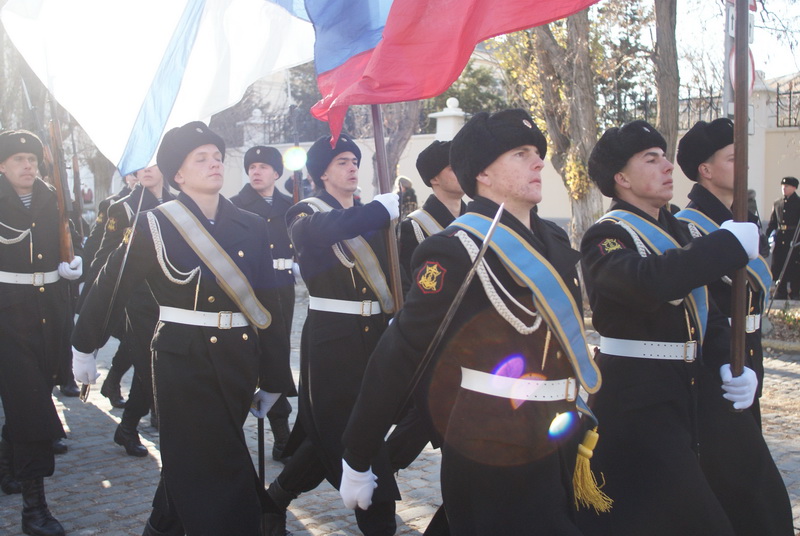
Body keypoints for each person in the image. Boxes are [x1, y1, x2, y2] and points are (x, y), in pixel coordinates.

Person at [340, 109, 605, 535]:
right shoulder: (455, 250)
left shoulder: (554, 240)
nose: (538, 162)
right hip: (494, 443)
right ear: (482, 172)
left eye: (537, 152)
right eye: (521, 154)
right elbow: (400, 353)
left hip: (560, 436)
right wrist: (358, 452)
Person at [72, 121, 292, 535]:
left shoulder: (250, 224)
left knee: (190, 466)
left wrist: (275, 376)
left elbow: (271, 306)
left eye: (217, 158)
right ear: (178, 174)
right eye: (201, 159)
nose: (214, 165)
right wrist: (84, 346)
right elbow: (110, 285)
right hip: (181, 361)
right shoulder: (154, 224)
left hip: (236, 359)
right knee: (217, 465)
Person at [577, 120, 764, 535]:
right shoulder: (606, 236)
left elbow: (706, 312)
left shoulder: (676, 229)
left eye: (664, 156)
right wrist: (725, 245)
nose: (666, 166)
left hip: (686, 393)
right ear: (621, 179)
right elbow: (649, 281)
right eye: (651, 159)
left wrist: (730, 363)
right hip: (636, 402)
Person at [263, 133, 401, 536]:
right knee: (350, 427)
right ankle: (379, 523)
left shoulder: (370, 214)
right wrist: (378, 211)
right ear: (322, 172)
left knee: (337, 430)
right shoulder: (304, 213)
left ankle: (275, 497)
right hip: (333, 339)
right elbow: (319, 232)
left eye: (354, 161)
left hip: (374, 333)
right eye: (342, 162)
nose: (352, 167)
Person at [675, 118, 794, 535]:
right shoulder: (687, 227)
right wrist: (728, 360)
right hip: (716, 374)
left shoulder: (741, 219)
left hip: (749, 367)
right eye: (732, 157)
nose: (742, 164)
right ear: (705, 170)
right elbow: (702, 308)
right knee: (753, 495)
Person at [0, 129, 84, 536]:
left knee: (34, 392)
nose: (28, 165)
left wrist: (72, 265)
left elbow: (73, 240)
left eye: (32, 159)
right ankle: (34, 511)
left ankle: (6, 463)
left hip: (50, 312)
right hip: (6, 315)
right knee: (31, 404)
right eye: (18, 160)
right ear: (2, 166)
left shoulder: (53, 198)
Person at [87, 165, 174, 456]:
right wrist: (95, 306)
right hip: (136, 305)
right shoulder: (122, 210)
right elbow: (103, 260)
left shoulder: (178, 203)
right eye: (141, 165)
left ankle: (127, 428)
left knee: (148, 367)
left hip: (172, 302)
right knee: (149, 366)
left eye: (153, 164)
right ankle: (144, 425)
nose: (146, 170)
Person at [231, 145, 298, 462]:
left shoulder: (291, 205)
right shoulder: (234, 206)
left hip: (283, 289)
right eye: (251, 166)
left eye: (263, 166)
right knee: (249, 357)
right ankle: (234, 433)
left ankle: (282, 435)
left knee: (278, 354)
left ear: (276, 173)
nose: (255, 171)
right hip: (250, 291)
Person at [78, 171, 139, 409]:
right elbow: (98, 244)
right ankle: (115, 384)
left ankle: (114, 382)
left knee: (137, 342)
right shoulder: (115, 205)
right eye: (134, 174)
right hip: (121, 286)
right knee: (133, 340)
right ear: (127, 178)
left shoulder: (168, 201)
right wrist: (89, 281)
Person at [765, 176, 800, 299]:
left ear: (794, 188)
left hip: (794, 238)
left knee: (794, 266)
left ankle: (795, 292)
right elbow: (773, 222)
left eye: (787, 187)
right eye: (782, 187)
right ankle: (781, 291)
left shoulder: (798, 202)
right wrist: (767, 235)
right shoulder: (777, 203)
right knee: (779, 264)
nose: (784, 189)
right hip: (780, 238)